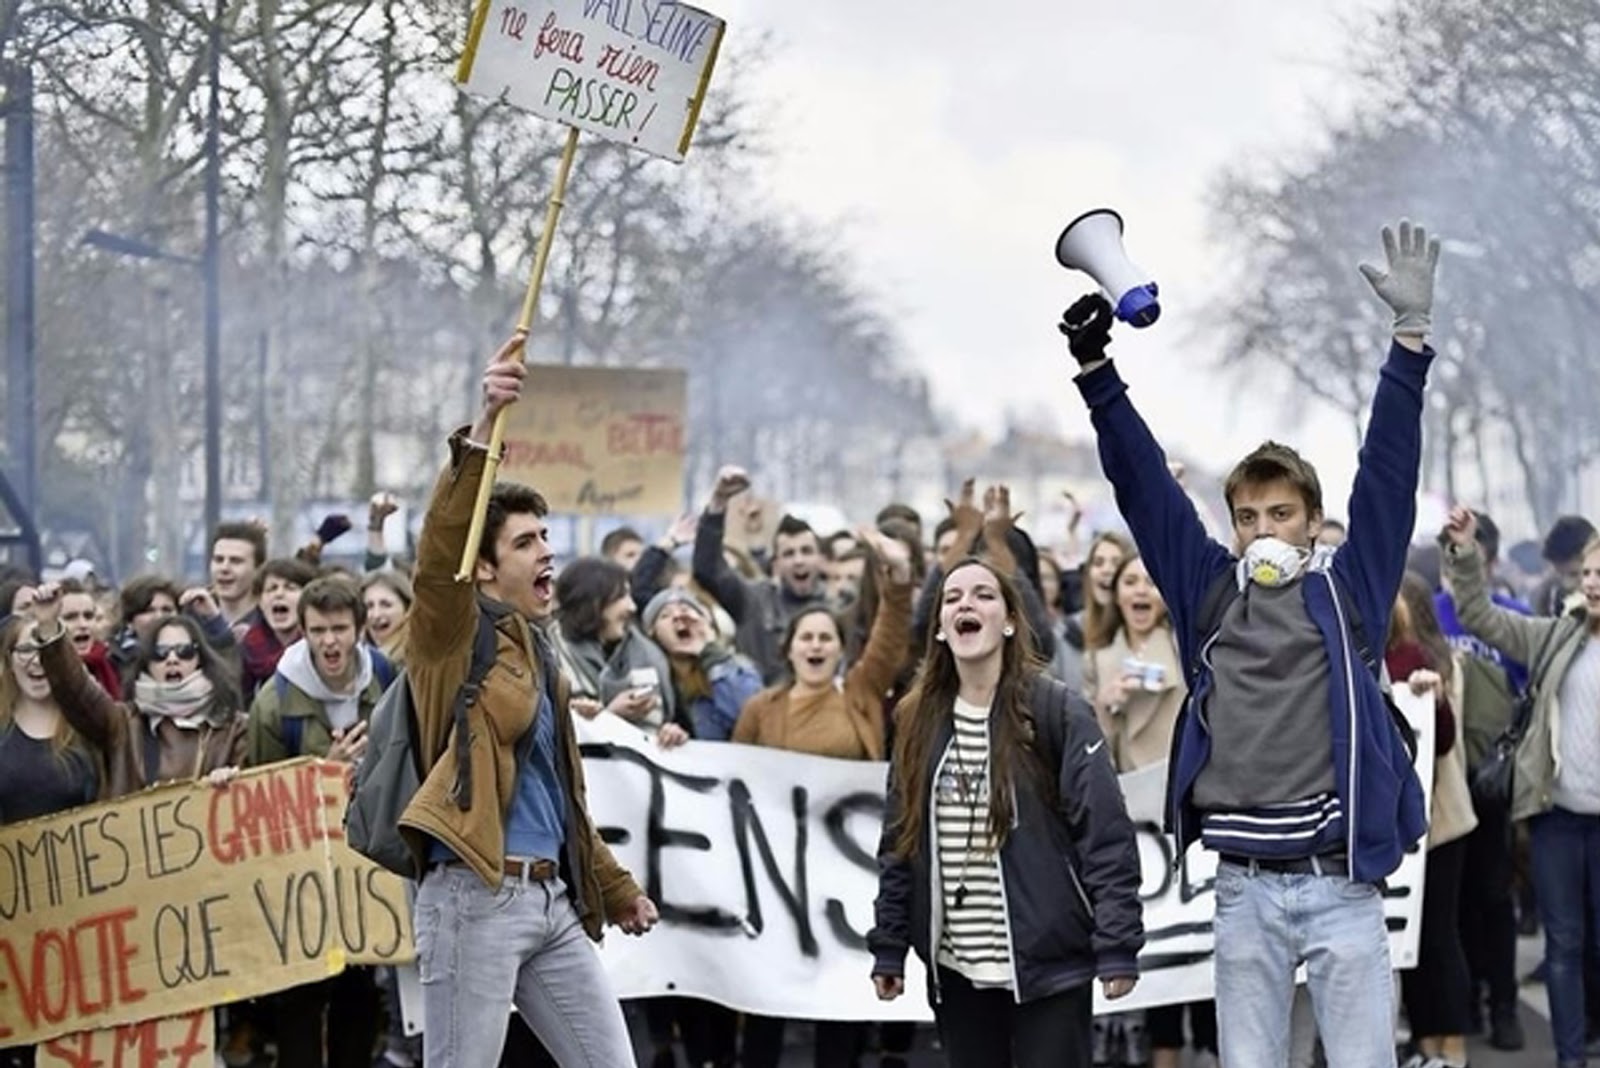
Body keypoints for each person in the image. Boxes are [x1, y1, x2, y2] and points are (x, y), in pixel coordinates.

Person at [1059, 219, 1437, 1068]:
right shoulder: (1209, 593)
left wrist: (1407, 345)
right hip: (1245, 895)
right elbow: (1147, 491)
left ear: (1309, 522)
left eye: (1280, 515)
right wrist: (1098, 376)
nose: (1263, 529)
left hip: (1342, 887)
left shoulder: (1349, 593)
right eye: (1248, 517)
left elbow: (1387, 479)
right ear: (1231, 527)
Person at [397, 332, 657, 1068]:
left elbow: (558, 799)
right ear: (483, 570)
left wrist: (615, 890)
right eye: (525, 542)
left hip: (552, 904)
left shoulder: (540, 654)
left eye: (548, 537)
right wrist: (484, 427)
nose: (548, 552)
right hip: (472, 900)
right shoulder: (450, 640)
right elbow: (440, 552)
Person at [869, 557, 1143, 1067]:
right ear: (942, 630)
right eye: (952, 599)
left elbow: (1104, 834)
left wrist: (1117, 943)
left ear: (1011, 620)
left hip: (1050, 968)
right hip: (957, 973)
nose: (965, 604)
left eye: (983, 595)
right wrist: (889, 943)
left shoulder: (1056, 710)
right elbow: (899, 839)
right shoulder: (914, 718)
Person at [732, 528, 914, 1068]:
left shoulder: (858, 696)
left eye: (825, 638)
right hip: (778, 879)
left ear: (840, 650)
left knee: (840, 998)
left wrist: (897, 579)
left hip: (845, 879)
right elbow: (732, 787)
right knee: (768, 999)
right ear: (788, 649)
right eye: (805, 638)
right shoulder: (760, 710)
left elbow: (890, 632)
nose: (815, 645)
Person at [1440, 505, 1600, 1068]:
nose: (1592, 582)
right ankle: (1570, 1058)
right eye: (1587, 573)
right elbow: (1481, 616)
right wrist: (1463, 554)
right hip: (1557, 819)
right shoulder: (1556, 637)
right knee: (1563, 946)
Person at [1084, 553, 1216, 1068]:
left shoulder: (1188, 651)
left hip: (1187, 816)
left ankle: (1207, 1046)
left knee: (1199, 940)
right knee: (1159, 942)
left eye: (1149, 581)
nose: (1140, 591)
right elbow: (1094, 756)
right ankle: (1164, 1052)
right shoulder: (1099, 659)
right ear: (1115, 594)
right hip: (1135, 827)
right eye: (1129, 581)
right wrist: (1106, 706)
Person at [1433, 509, 1527, 1051]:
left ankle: (1505, 1005)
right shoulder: (1431, 614)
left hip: (1493, 781)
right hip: (1445, 779)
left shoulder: (1509, 617)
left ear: (1486, 559)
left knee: (1495, 898)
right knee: (1455, 900)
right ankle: (1462, 1003)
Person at [30, 582, 246, 795]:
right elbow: (77, 692)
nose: (172, 659)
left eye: (184, 651)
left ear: (200, 659)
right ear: (147, 664)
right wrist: (49, 629)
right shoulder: (124, 724)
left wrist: (234, 781)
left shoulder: (232, 729)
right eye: (160, 653)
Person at [0, 615, 100, 1068]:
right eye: (25, 650)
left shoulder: (89, 729)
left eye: (45, 652)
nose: (36, 662)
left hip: (74, 918)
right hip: (8, 919)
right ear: (7, 659)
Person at [1388, 573, 1474, 1068]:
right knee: (1406, 941)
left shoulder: (1431, 662)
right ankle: (1425, 1043)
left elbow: (1442, 742)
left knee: (1439, 935)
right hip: (1397, 829)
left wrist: (1431, 695)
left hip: (1439, 821)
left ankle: (1451, 1043)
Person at [693, 465, 828, 682]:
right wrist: (718, 503)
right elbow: (708, 569)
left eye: (806, 551)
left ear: (821, 560)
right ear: (776, 563)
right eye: (789, 553)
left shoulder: (837, 607)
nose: (799, 560)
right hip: (763, 709)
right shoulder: (753, 600)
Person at [210, 520, 269, 632]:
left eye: (236, 561)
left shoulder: (274, 624)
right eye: (218, 560)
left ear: (258, 568)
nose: (224, 568)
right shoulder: (194, 622)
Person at [361, 570, 413, 669]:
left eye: (386, 605)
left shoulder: (414, 660)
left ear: (407, 609)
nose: (376, 614)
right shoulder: (363, 657)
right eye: (369, 606)